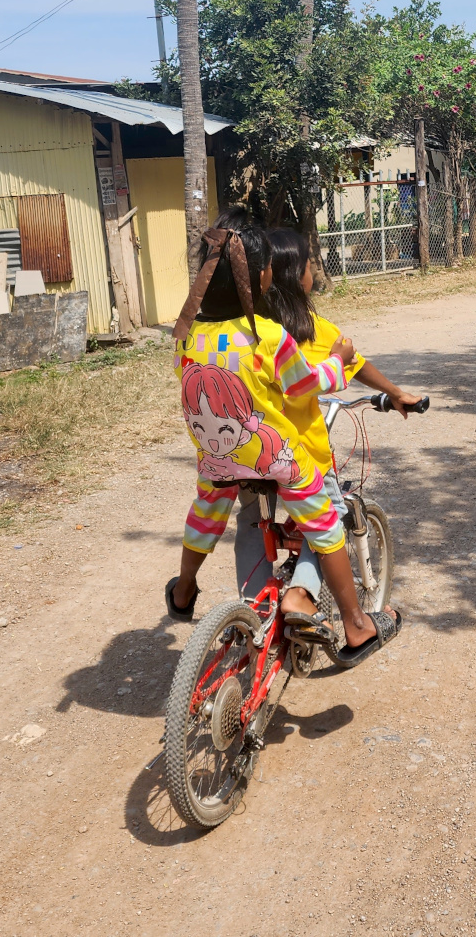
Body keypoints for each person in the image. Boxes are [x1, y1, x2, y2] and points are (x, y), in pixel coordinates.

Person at [165, 206, 401, 663]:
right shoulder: (269, 336)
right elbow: (306, 385)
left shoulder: (185, 337)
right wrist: (337, 361)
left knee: (210, 513)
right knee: (325, 522)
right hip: (274, 458)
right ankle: (354, 624)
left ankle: (185, 589)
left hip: (217, 461)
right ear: (258, 277)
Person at [257, 227, 423, 628]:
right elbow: (354, 364)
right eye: (310, 264)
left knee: (255, 524)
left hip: (249, 453)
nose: (314, 270)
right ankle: (302, 594)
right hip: (301, 455)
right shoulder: (313, 331)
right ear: (299, 276)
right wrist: (395, 393)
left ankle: (254, 606)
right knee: (330, 518)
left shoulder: (251, 327)